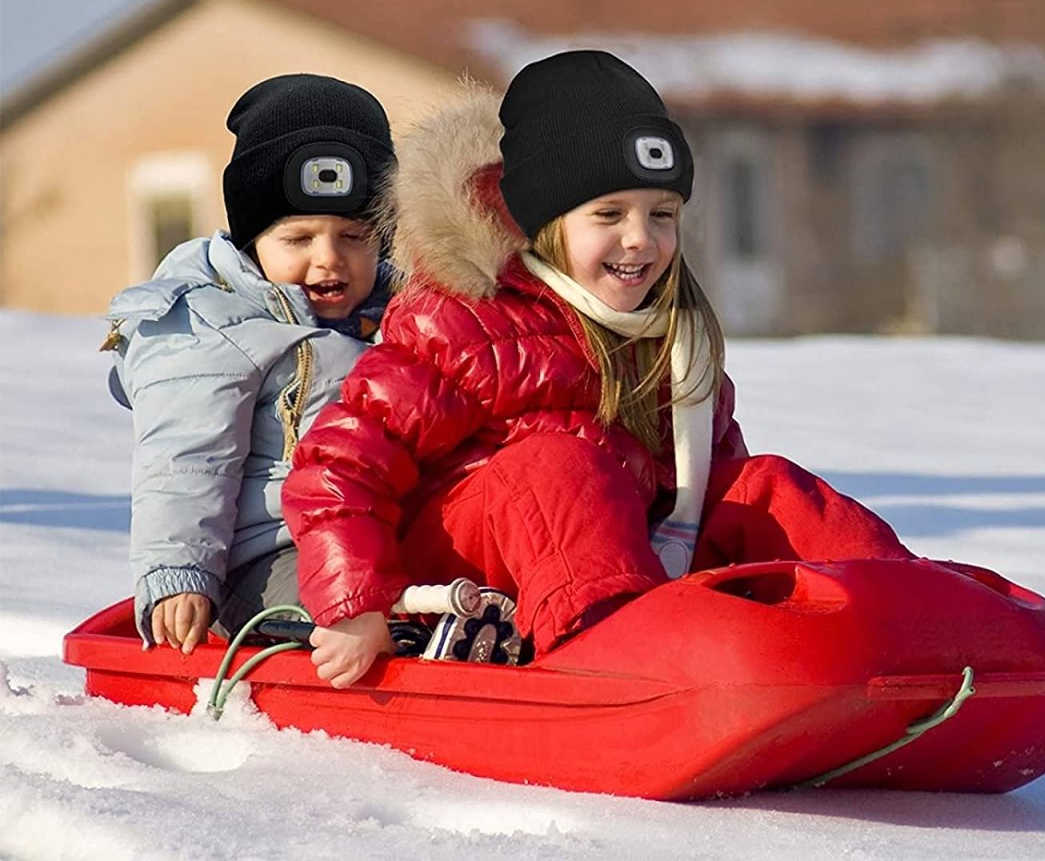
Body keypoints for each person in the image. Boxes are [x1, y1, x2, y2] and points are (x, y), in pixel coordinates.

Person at [282, 51, 912, 688]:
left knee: (761, 487)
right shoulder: (465, 324)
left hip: (626, 568)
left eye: (661, 215)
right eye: (609, 215)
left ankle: (904, 621)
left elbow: (706, 495)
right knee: (558, 462)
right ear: (544, 225)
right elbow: (338, 468)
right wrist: (355, 605)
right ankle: (612, 658)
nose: (641, 238)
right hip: (468, 574)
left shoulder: (676, 342)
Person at [104, 73, 398, 652]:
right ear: (251, 241)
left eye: (355, 236)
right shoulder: (207, 323)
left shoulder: (404, 316)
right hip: (268, 554)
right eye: (299, 238)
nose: (328, 259)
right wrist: (179, 575)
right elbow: (186, 457)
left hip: (378, 534)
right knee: (371, 615)